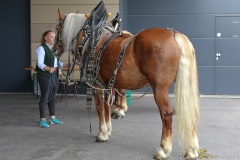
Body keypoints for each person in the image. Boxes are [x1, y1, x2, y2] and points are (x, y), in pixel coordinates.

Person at [36, 30, 67, 128]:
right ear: (45, 38)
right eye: (52, 37)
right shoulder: (41, 48)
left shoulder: (53, 50)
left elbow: (57, 63)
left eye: (54, 37)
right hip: (44, 75)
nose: (54, 39)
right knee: (44, 97)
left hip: (54, 75)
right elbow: (40, 64)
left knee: (53, 97)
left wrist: (66, 64)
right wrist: (48, 68)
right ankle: (42, 120)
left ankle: (52, 118)